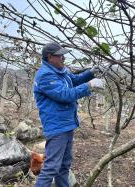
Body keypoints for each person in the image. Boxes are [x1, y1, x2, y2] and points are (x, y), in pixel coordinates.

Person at [33, 42, 103, 187]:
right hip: (57, 127)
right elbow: (65, 94)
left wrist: (90, 73)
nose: (63, 58)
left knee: (64, 166)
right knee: (51, 167)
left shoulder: (59, 71)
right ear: (50, 56)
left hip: (66, 124)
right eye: (60, 56)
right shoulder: (45, 76)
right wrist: (89, 85)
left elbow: (73, 80)